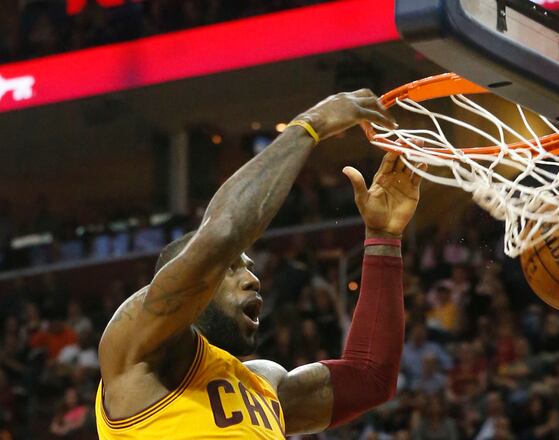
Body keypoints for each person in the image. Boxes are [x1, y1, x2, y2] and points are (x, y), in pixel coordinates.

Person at [96, 90, 426, 438]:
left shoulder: (264, 385)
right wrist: (309, 126)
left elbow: (370, 377)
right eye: (233, 268)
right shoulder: (134, 349)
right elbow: (221, 237)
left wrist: (383, 237)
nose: (253, 279)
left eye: (250, 266)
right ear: (184, 278)